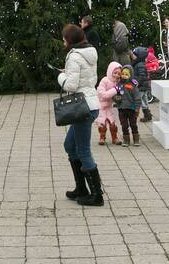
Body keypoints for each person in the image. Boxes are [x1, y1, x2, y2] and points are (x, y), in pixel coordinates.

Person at [58, 23, 102, 207]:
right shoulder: (89, 51)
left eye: (64, 38)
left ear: (69, 40)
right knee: (70, 145)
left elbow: (71, 86)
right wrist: (68, 73)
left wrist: (60, 77)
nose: (62, 41)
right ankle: (81, 189)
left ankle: (97, 195)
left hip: (82, 107)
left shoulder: (75, 56)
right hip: (89, 104)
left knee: (83, 150)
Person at [115, 65, 143, 147]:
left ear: (130, 75)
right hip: (122, 108)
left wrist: (137, 107)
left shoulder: (132, 85)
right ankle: (126, 139)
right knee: (124, 125)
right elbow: (116, 95)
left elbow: (137, 97)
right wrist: (116, 99)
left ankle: (136, 138)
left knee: (133, 124)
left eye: (126, 74)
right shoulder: (119, 84)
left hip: (132, 108)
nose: (124, 76)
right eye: (123, 74)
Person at [94, 61, 121, 146]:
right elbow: (103, 95)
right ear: (110, 71)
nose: (116, 75)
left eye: (118, 74)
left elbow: (117, 96)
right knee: (102, 124)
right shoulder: (105, 80)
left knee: (112, 123)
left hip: (109, 106)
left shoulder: (117, 82)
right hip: (101, 106)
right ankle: (102, 137)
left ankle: (115, 138)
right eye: (115, 73)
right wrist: (115, 90)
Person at [130, 46, 152, 122]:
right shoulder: (139, 64)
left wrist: (136, 83)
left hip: (141, 86)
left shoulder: (139, 65)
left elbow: (141, 77)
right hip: (144, 86)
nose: (132, 56)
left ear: (139, 56)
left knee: (138, 101)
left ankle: (134, 116)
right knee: (144, 100)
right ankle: (147, 114)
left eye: (134, 55)